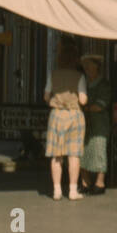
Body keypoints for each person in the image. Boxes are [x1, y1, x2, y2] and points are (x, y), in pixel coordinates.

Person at [44, 39, 89, 201]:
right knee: (73, 155)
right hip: (74, 116)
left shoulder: (53, 74)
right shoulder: (79, 76)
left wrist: (55, 102)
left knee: (56, 155)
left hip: (56, 115)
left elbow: (46, 96)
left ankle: (56, 190)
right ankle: (72, 190)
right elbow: (83, 100)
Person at [79, 54, 111, 193]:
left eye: (89, 64)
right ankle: (85, 181)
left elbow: (100, 105)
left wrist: (85, 108)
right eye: (85, 64)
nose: (86, 67)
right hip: (84, 122)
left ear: (97, 66)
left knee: (99, 149)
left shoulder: (103, 84)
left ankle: (100, 182)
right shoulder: (83, 82)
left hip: (99, 123)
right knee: (82, 150)